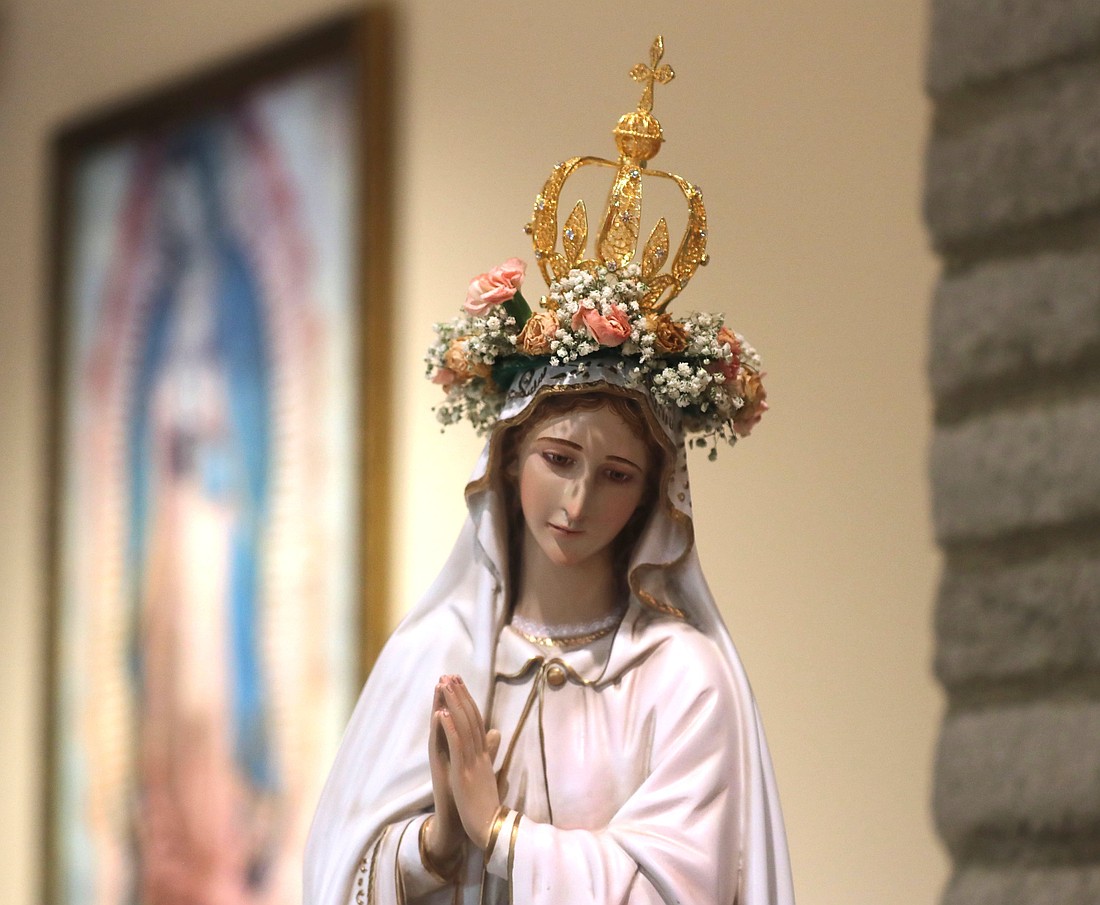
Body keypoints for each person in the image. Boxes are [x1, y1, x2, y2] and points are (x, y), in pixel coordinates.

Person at [305, 37, 793, 905]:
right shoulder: (436, 658)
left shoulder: (683, 678)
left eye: (616, 475)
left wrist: (504, 838)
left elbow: (679, 894)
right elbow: (338, 882)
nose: (577, 500)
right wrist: (436, 844)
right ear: (507, 457)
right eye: (558, 459)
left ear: (655, 492)